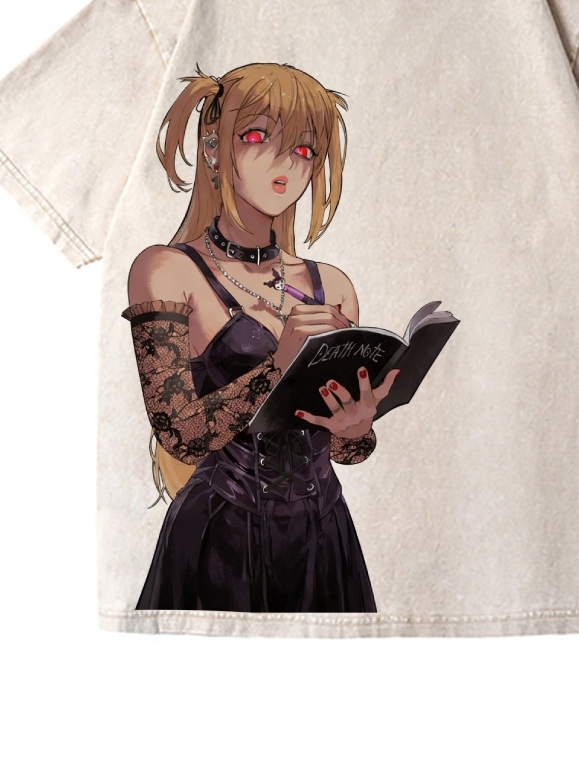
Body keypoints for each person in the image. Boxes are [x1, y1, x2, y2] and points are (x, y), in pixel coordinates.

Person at [121, 62, 400, 612]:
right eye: (256, 137)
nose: (285, 162)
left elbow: (345, 450)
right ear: (213, 149)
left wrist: (354, 428)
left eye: (304, 149)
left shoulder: (332, 286)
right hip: (218, 538)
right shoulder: (167, 270)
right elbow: (179, 434)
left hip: (325, 538)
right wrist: (277, 366)